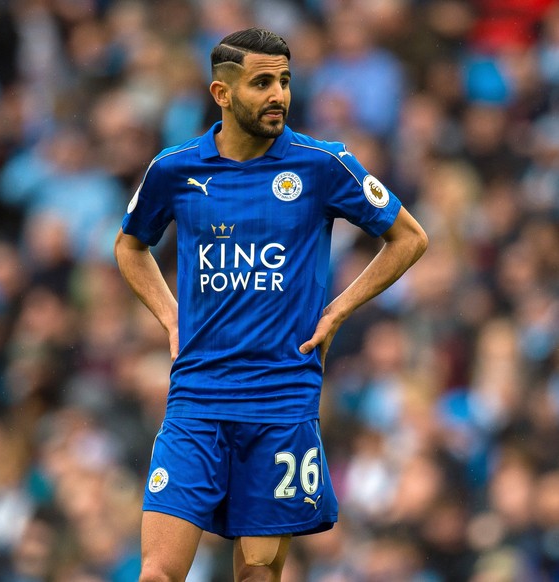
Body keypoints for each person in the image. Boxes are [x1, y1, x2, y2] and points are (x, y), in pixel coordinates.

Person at [114, 27, 428, 582]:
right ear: (222, 93)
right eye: (262, 83)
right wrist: (171, 316)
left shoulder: (322, 164)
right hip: (197, 397)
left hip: (281, 402)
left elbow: (409, 237)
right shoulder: (175, 168)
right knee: (158, 573)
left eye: (284, 80)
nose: (279, 94)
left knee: (258, 573)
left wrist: (337, 310)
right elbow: (130, 245)